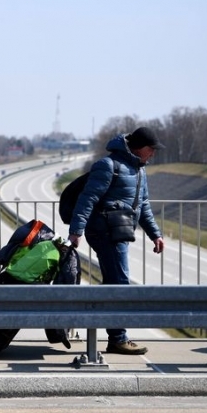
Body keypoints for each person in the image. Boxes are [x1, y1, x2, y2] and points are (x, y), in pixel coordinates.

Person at [67, 126, 165, 355]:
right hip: (104, 232)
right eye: (151, 149)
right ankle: (118, 338)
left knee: (114, 282)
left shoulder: (139, 170)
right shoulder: (108, 166)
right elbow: (87, 199)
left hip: (120, 232)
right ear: (140, 147)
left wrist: (155, 234)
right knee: (119, 282)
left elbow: (144, 206)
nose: (153, 154)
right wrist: (76, 231)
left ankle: (113, 334)